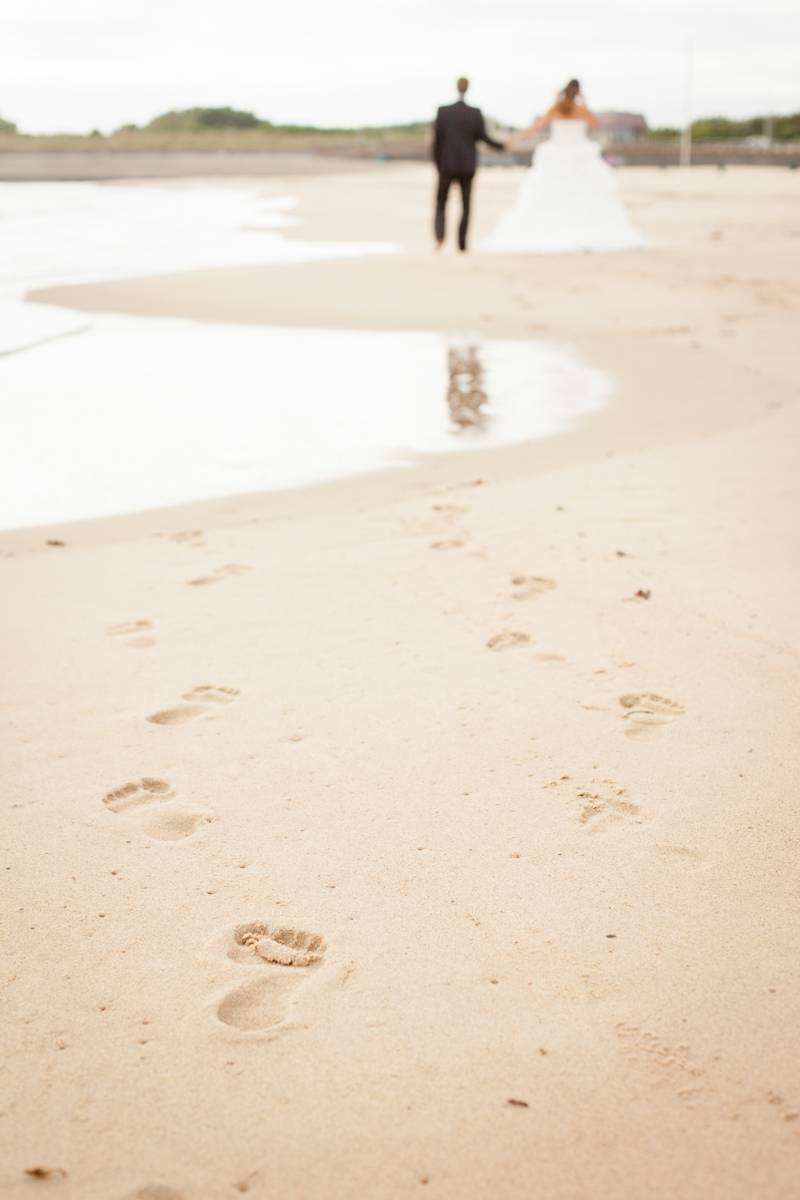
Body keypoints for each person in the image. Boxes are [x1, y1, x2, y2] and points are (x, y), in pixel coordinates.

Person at [481, 79, 645, 254]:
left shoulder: (555, 109)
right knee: (585, 196)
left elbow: (533, 129)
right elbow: (596, 124)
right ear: (578, 93)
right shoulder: (581, 109)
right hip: (580, 157)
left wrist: (512, 140)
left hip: (556, 156)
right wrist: (584, 102)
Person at [433, 77, 505, 253]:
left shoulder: (443, 111)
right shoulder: (475, 112)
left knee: (441, 203)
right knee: (466, 206)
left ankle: (440, 237)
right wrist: (502, 145)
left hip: (447, 165)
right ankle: (462, 244)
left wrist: (438, 164)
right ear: (468, 88)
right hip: (467, 165)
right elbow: (483, 137)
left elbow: (437, 142)